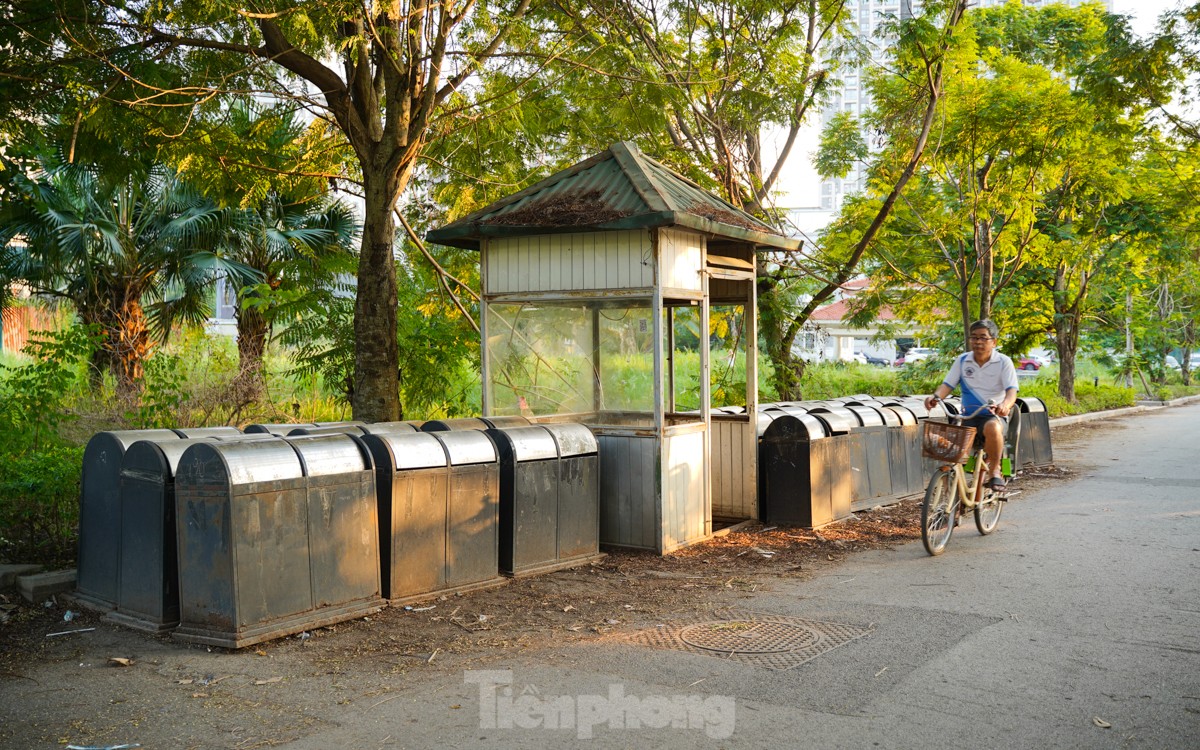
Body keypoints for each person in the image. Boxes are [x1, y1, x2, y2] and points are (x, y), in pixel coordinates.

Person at [923, 319, 1019, 489]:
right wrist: (936, 397)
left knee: (992, 428)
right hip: (967, 416)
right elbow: (947, 385)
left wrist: (1005, 405)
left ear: (994, 341)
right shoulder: (962, 360)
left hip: (993, 415)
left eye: (983, 337)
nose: (978, 342)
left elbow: (1011, 391)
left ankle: (994, 470)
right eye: (974, 337)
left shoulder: (1004, 362)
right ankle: (952, 499)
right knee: (949, 457)